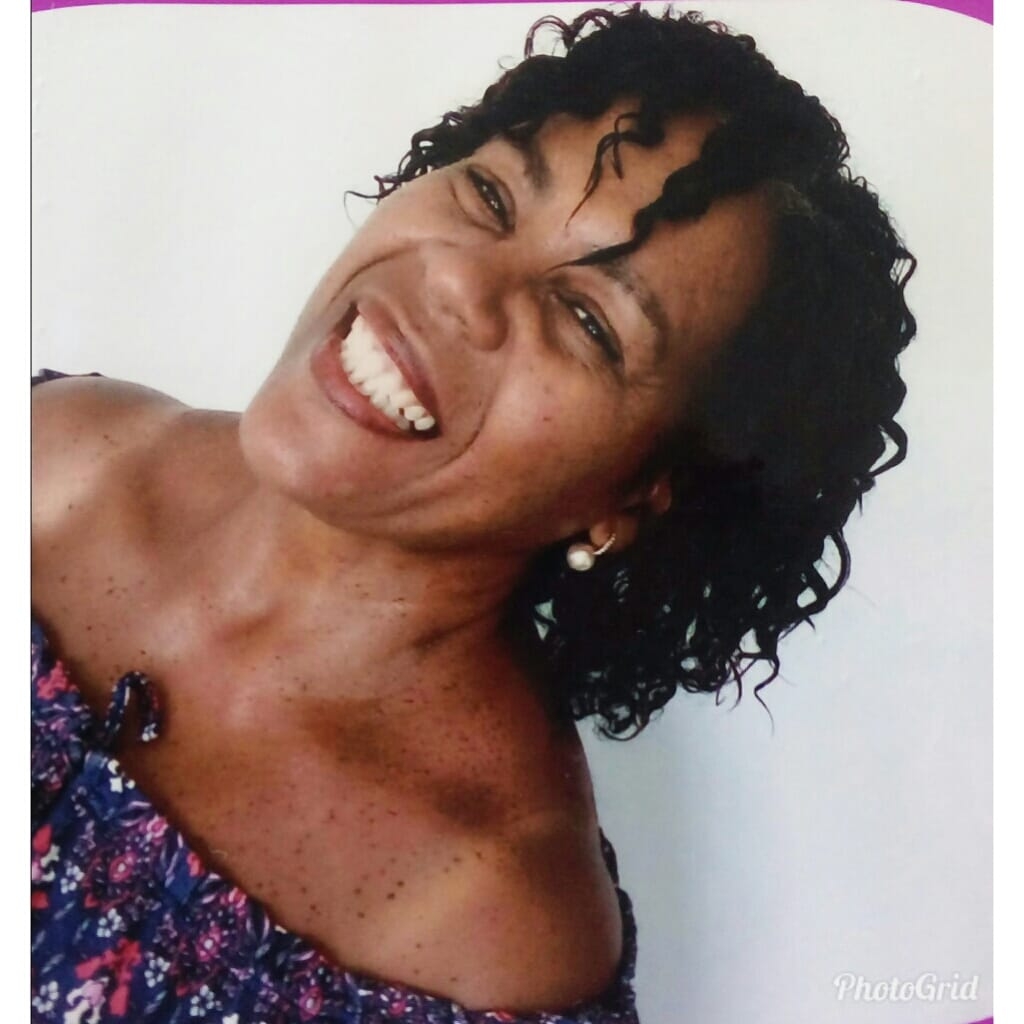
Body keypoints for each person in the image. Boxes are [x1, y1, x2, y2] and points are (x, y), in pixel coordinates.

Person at [30, 5, 916, 1022]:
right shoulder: (62, 449)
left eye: (586, 320)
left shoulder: (488, 932)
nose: (457, 278)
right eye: (490, 193)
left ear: (636, 495)